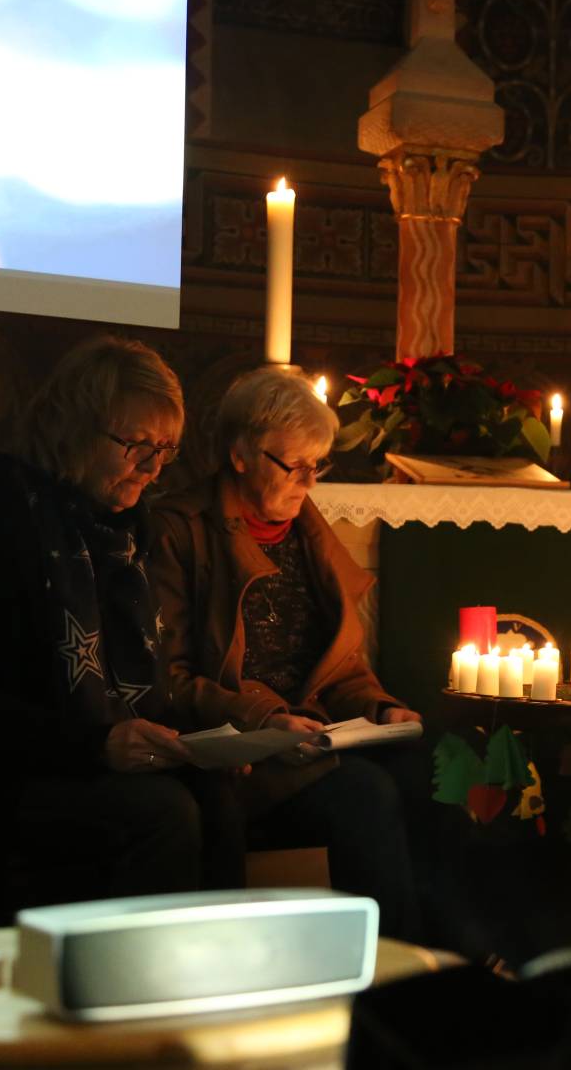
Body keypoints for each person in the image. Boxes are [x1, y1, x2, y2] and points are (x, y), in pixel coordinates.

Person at [0, 335, 244, 933]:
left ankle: (205, 992)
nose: (152, 469)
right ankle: (121, 1004)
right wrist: (95, 746)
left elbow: (144, 680)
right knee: (163, 813)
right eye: (135, 445)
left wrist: (221, 737)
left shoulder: (125, 528)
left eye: (166, 450)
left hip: (71, 761)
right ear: (74, 426)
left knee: (216, 793)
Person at [151, 367, 422, 938]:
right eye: (294, 464)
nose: (309, 482)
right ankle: (390, 985)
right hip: (245, 755)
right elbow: (166, 676)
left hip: (315, 738)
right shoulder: (180, 529)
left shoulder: (307, 531)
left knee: (436, 769)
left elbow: (340, 665)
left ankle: (459, 958)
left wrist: (379, 708)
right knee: (367, 796)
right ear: (241, 454)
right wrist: (265, 717)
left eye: (316, 465)